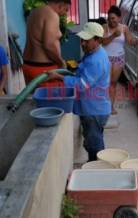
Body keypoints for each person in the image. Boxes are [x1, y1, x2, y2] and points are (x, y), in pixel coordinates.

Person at [47, 22, 111, 161]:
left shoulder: (96, 60)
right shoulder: (93, 53)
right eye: (82, 40)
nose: (82, 43)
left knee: (95, 145)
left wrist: (60, 77)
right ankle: (94, 165)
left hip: (93, 110)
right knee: (92, 140)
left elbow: (82, 85)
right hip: (92, 107)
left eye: (86, 41)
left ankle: (97, 170)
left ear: (98, 40)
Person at [23, 0, 71, 87]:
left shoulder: (34, 12)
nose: (65, 14)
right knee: (52, 101)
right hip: (43, 68)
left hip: (28, 65)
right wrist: (61, 61)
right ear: (60, 5)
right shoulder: (52, 15)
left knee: (34, 101)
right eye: (66, 10)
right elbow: (49, 45)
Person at [102, 5, 138, 114]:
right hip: (106, 58)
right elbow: (102, 42)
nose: (111, 21)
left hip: (119, 59)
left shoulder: (124, 28)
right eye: (109, 18)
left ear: (119, 18)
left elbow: (130, 41)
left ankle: (110, 107)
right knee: (105, 83)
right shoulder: (104, 27)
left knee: (113, 83)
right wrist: (113, 36)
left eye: (113, 18)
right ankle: (103, 105)